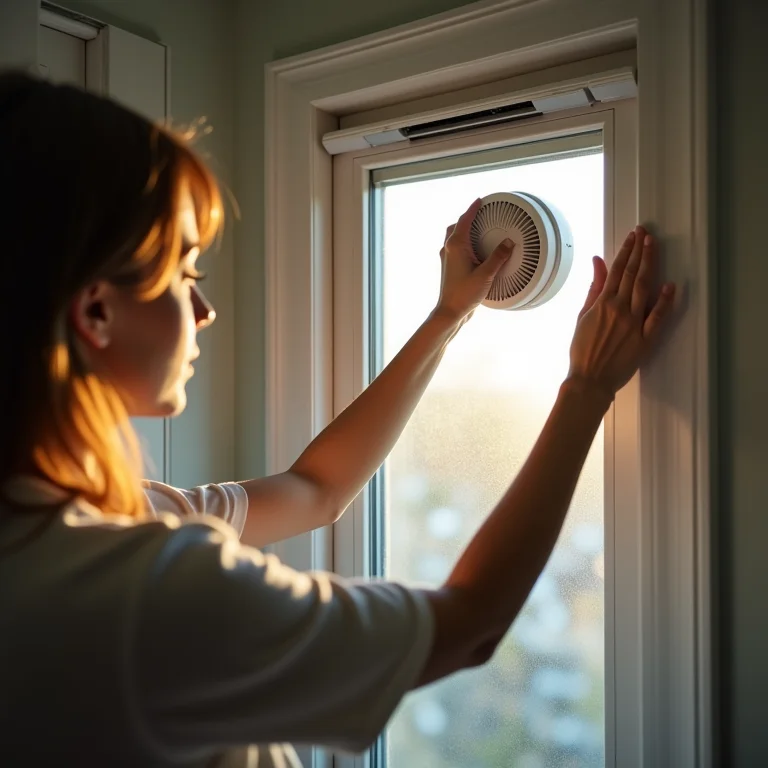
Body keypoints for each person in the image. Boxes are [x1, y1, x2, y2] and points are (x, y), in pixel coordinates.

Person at [0, 71, 675, 767]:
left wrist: (447, 316)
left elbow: (315, 489)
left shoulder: (109, 527)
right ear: (96, 311)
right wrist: (586, 388)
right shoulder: (146, 591)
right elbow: (467, 626)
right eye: (184, 273)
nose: (204, 311)